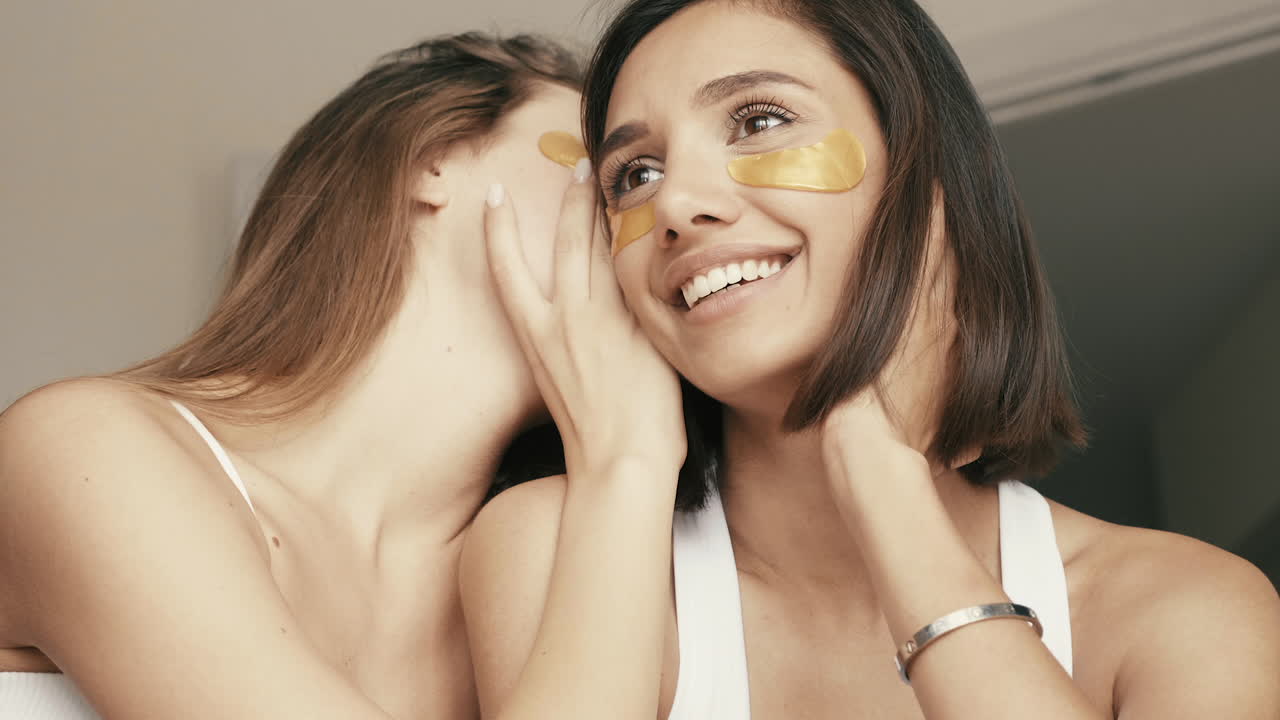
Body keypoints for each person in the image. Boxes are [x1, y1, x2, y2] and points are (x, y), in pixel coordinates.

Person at [461, 2, 1280, 718]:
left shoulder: (1188, 613)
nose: (674, 205)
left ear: (924, 171)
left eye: (758, 120)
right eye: (634, 174)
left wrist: (883, 476)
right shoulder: (551, 546)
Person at [0, 32, 683, 720]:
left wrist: (625, 469)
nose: (659, 213)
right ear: (433, 159)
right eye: (616, 170)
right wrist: (629, 456)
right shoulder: (84, 449)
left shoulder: (557, 558)